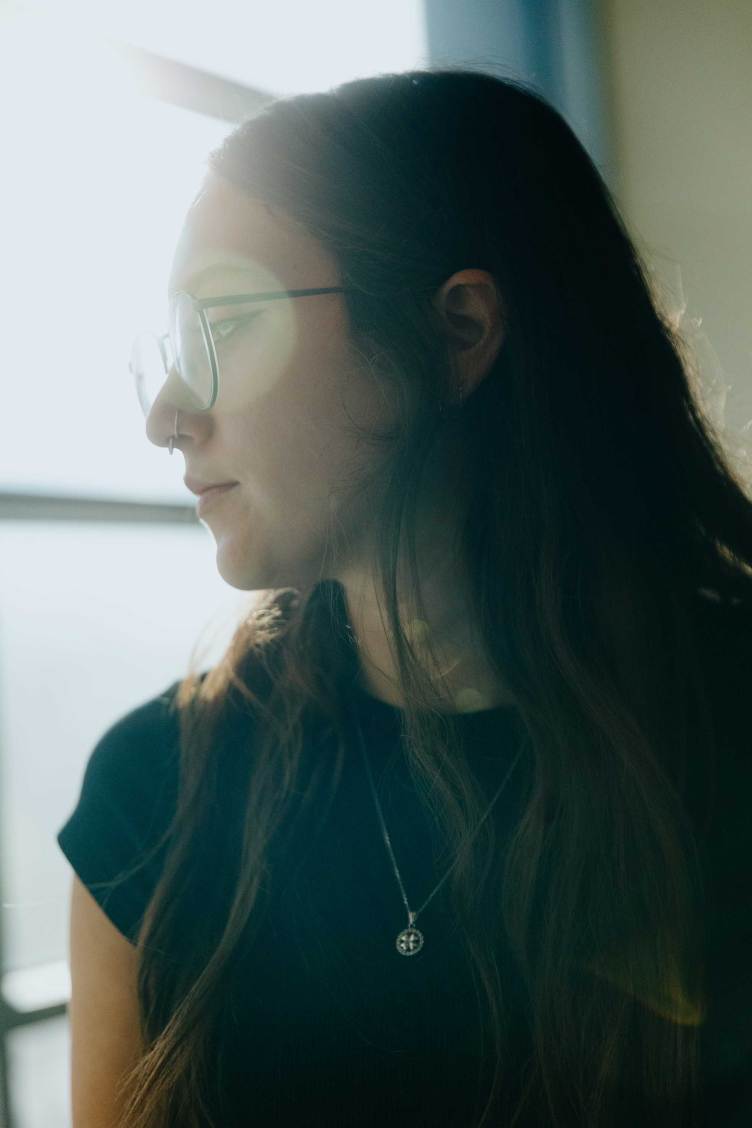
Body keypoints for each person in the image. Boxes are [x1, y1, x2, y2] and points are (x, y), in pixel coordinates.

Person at [57, 68, 752, 1128]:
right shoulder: (158, 793)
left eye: (228, 325)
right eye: (172, 342)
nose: (167, 414)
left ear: (457, 329)